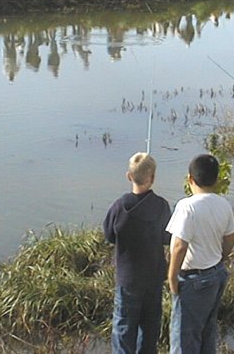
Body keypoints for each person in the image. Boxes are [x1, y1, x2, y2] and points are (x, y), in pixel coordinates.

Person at [167, 154, 234, 354]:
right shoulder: (223, 204)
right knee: (207, 332)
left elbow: (179, 245)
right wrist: (221, 258)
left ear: (190, 179)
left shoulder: (187, 206)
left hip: (193, 279)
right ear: (216, 180)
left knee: (184, 339)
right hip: (216, 274)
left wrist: (172, 278)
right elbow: (232, 237)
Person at [103, 152, 171, 354]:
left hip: (128, 280)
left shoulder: (119, 207)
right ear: (153, 178)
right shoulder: (161, 206)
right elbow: (168, 238)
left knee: (124, 331)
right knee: (149, 330)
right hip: (153, 279)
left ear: (129, 176)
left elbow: (109, 235)